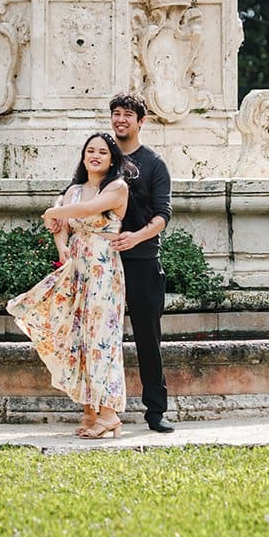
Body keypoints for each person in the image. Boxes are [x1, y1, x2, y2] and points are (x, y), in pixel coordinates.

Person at [7, 134, 130, 439]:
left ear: (112, 158)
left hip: (103, 267)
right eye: (90, 151)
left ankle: (110, 413)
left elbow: (87, 211)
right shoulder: (73, 190)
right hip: (78, 266)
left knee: (101, 337)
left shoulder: (117, 187)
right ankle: (90, 410)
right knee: (77, 335)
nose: (96, 156)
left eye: (102, 151)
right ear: (83, 156)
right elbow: (59, 225)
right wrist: (61, 244)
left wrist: (54, 210)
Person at [108, 92, 174, 433]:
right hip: (105, 263)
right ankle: (105, 410)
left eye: (127, 115)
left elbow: (163, 215)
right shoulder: (103, 157)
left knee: (148, 337)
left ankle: (155, 411)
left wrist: (136, 237)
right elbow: (80, 192)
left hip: (143, 260)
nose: (121, 119)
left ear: (140, 121)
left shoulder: (154, 163)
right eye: (116, 114)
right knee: (103, 337)